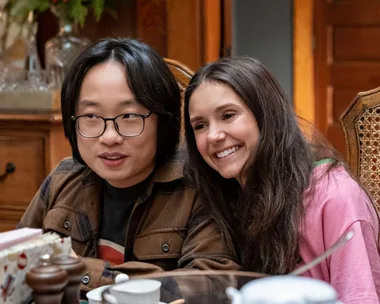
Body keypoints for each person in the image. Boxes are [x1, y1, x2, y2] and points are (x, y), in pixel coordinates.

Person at [18, 38, 239, 292]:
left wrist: (83, 271)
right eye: (91, 116)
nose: (110, 137)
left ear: (164, 119)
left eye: (129, 116)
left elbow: (208, 284)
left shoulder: (199, 184)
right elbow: (14, 261)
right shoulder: (63, 178)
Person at [183, 56, 380, 303]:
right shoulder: (221, 193)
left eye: (228, 115)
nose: (213, 135)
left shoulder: (335, 196)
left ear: (266, 114)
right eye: (200, 125)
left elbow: (361, 298)